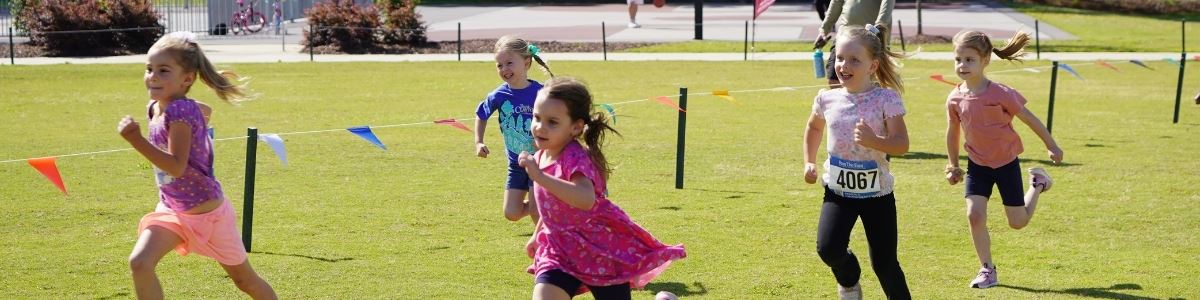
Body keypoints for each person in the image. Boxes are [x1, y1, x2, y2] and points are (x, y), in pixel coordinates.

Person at [117, 31, 277, 299]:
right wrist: (196, 112)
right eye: (149, 68)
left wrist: (136, 139)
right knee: (140, 262)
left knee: (245, 281)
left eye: (163, 70)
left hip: (210, 216)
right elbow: (205, 110)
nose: (153, 76)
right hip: (173, 211)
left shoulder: (180, 111)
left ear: (187, 78)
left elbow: (176, 167)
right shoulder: (156, 107)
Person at [520, 77, 686, 300]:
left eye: (552, 122)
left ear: (576, 127)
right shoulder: (540, 156)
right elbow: (553, 203)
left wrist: (539, 177)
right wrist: (537, 234)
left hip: (598, 250)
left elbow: (585, 198)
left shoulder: (574, 157)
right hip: (558, 252)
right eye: (537, 118)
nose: (540, 127)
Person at [944, 30, 1062, 289]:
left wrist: (1051, 145)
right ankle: (987, 269)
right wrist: (953, 164)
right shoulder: (954, 98)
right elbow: (952, 133)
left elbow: (1029, 119)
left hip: (1006, 163)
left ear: (985, 60)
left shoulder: (1001, 93)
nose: (962, 65)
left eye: (969, 60)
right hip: (978, 166)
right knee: (974, 215)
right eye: (958, 59)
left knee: (1017, 223)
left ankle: (1038, 183)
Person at [802, 26, 911, 300]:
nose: (843, 65)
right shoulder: (826, 98)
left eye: (854, 60)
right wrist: (809, 162)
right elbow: (814, 128)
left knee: (885, 264)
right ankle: (849, 282)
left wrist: (876, 141)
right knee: (828, 249)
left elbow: (901, 144)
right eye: (839, 58)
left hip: (877, 195)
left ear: (872, 65)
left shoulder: (886, 99)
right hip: (838, 193)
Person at [476, 35, 554, 223]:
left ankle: (545, 246)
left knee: (537, 213)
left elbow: (557, 119)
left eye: (509, 63)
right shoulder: (499, 95)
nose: (504, 69)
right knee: (511, 213)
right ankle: (553, 204)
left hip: (540, 162)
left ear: (526, 62)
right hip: (516, 164)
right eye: (499, 65)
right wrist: (478, 141)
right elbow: (481, 114)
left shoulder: (541, 93)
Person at [814, 0, 895, 89]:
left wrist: (879, 25)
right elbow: (836, 2)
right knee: (834, 80)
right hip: (844, 36)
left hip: (871, 37)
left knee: (873, 84)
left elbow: (888, 2)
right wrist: (824, 29)